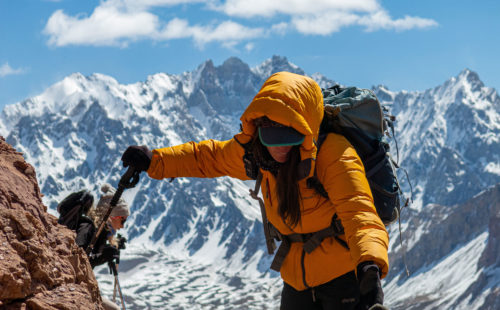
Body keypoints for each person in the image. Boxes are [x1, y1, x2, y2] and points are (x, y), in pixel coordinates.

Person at [121, 71, 389, 309]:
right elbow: (207, 158)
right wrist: (155, 161)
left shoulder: (333, 154)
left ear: (307, 132)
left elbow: (359, 211)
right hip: (296, 279)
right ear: (260, 129)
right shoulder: (255, 155)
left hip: (341, 277)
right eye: (274, 138)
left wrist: (369, 265)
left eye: (291, 138)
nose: (281, 148)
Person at [75, 184, 129, 310]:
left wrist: (114, 246)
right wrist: (103, 257)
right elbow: (77, 260)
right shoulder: (87, 228)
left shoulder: (100, 231)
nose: (122, 226)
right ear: (113, 216)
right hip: (75, 285)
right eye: (123, 220)